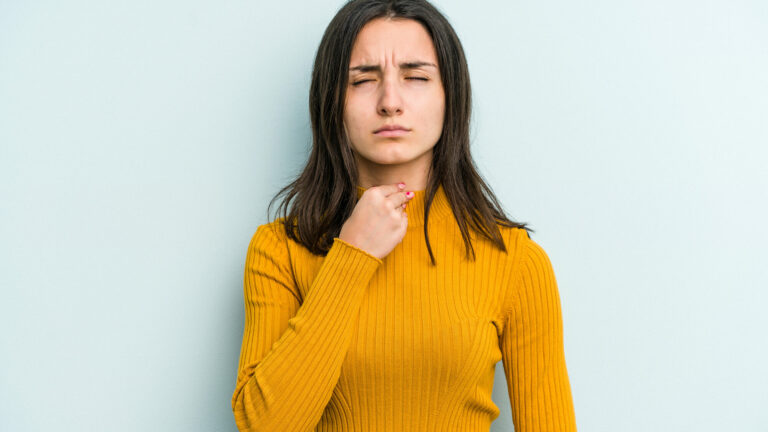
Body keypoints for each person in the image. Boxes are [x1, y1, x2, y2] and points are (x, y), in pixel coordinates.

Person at [231, 0, 577, 430]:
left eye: (415, 77)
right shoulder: (279, 251)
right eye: (363, 80)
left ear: (450, 96)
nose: (390, 102)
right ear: (331, 100)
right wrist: (351, 257)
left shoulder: (515, 260)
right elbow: (265, 426)